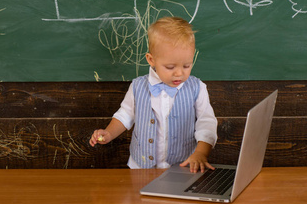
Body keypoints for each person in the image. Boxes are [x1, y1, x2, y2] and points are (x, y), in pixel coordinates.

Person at [90, 16, 217, 173]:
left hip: (183, 168)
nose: (179, 73)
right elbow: (125, 115)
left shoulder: (197, 88)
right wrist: (109, 132)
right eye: (170, 67)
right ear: (151, 60)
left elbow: (207, 123)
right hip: (141, 168)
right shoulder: (137, 86)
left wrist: (200, 153)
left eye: (187, 65)